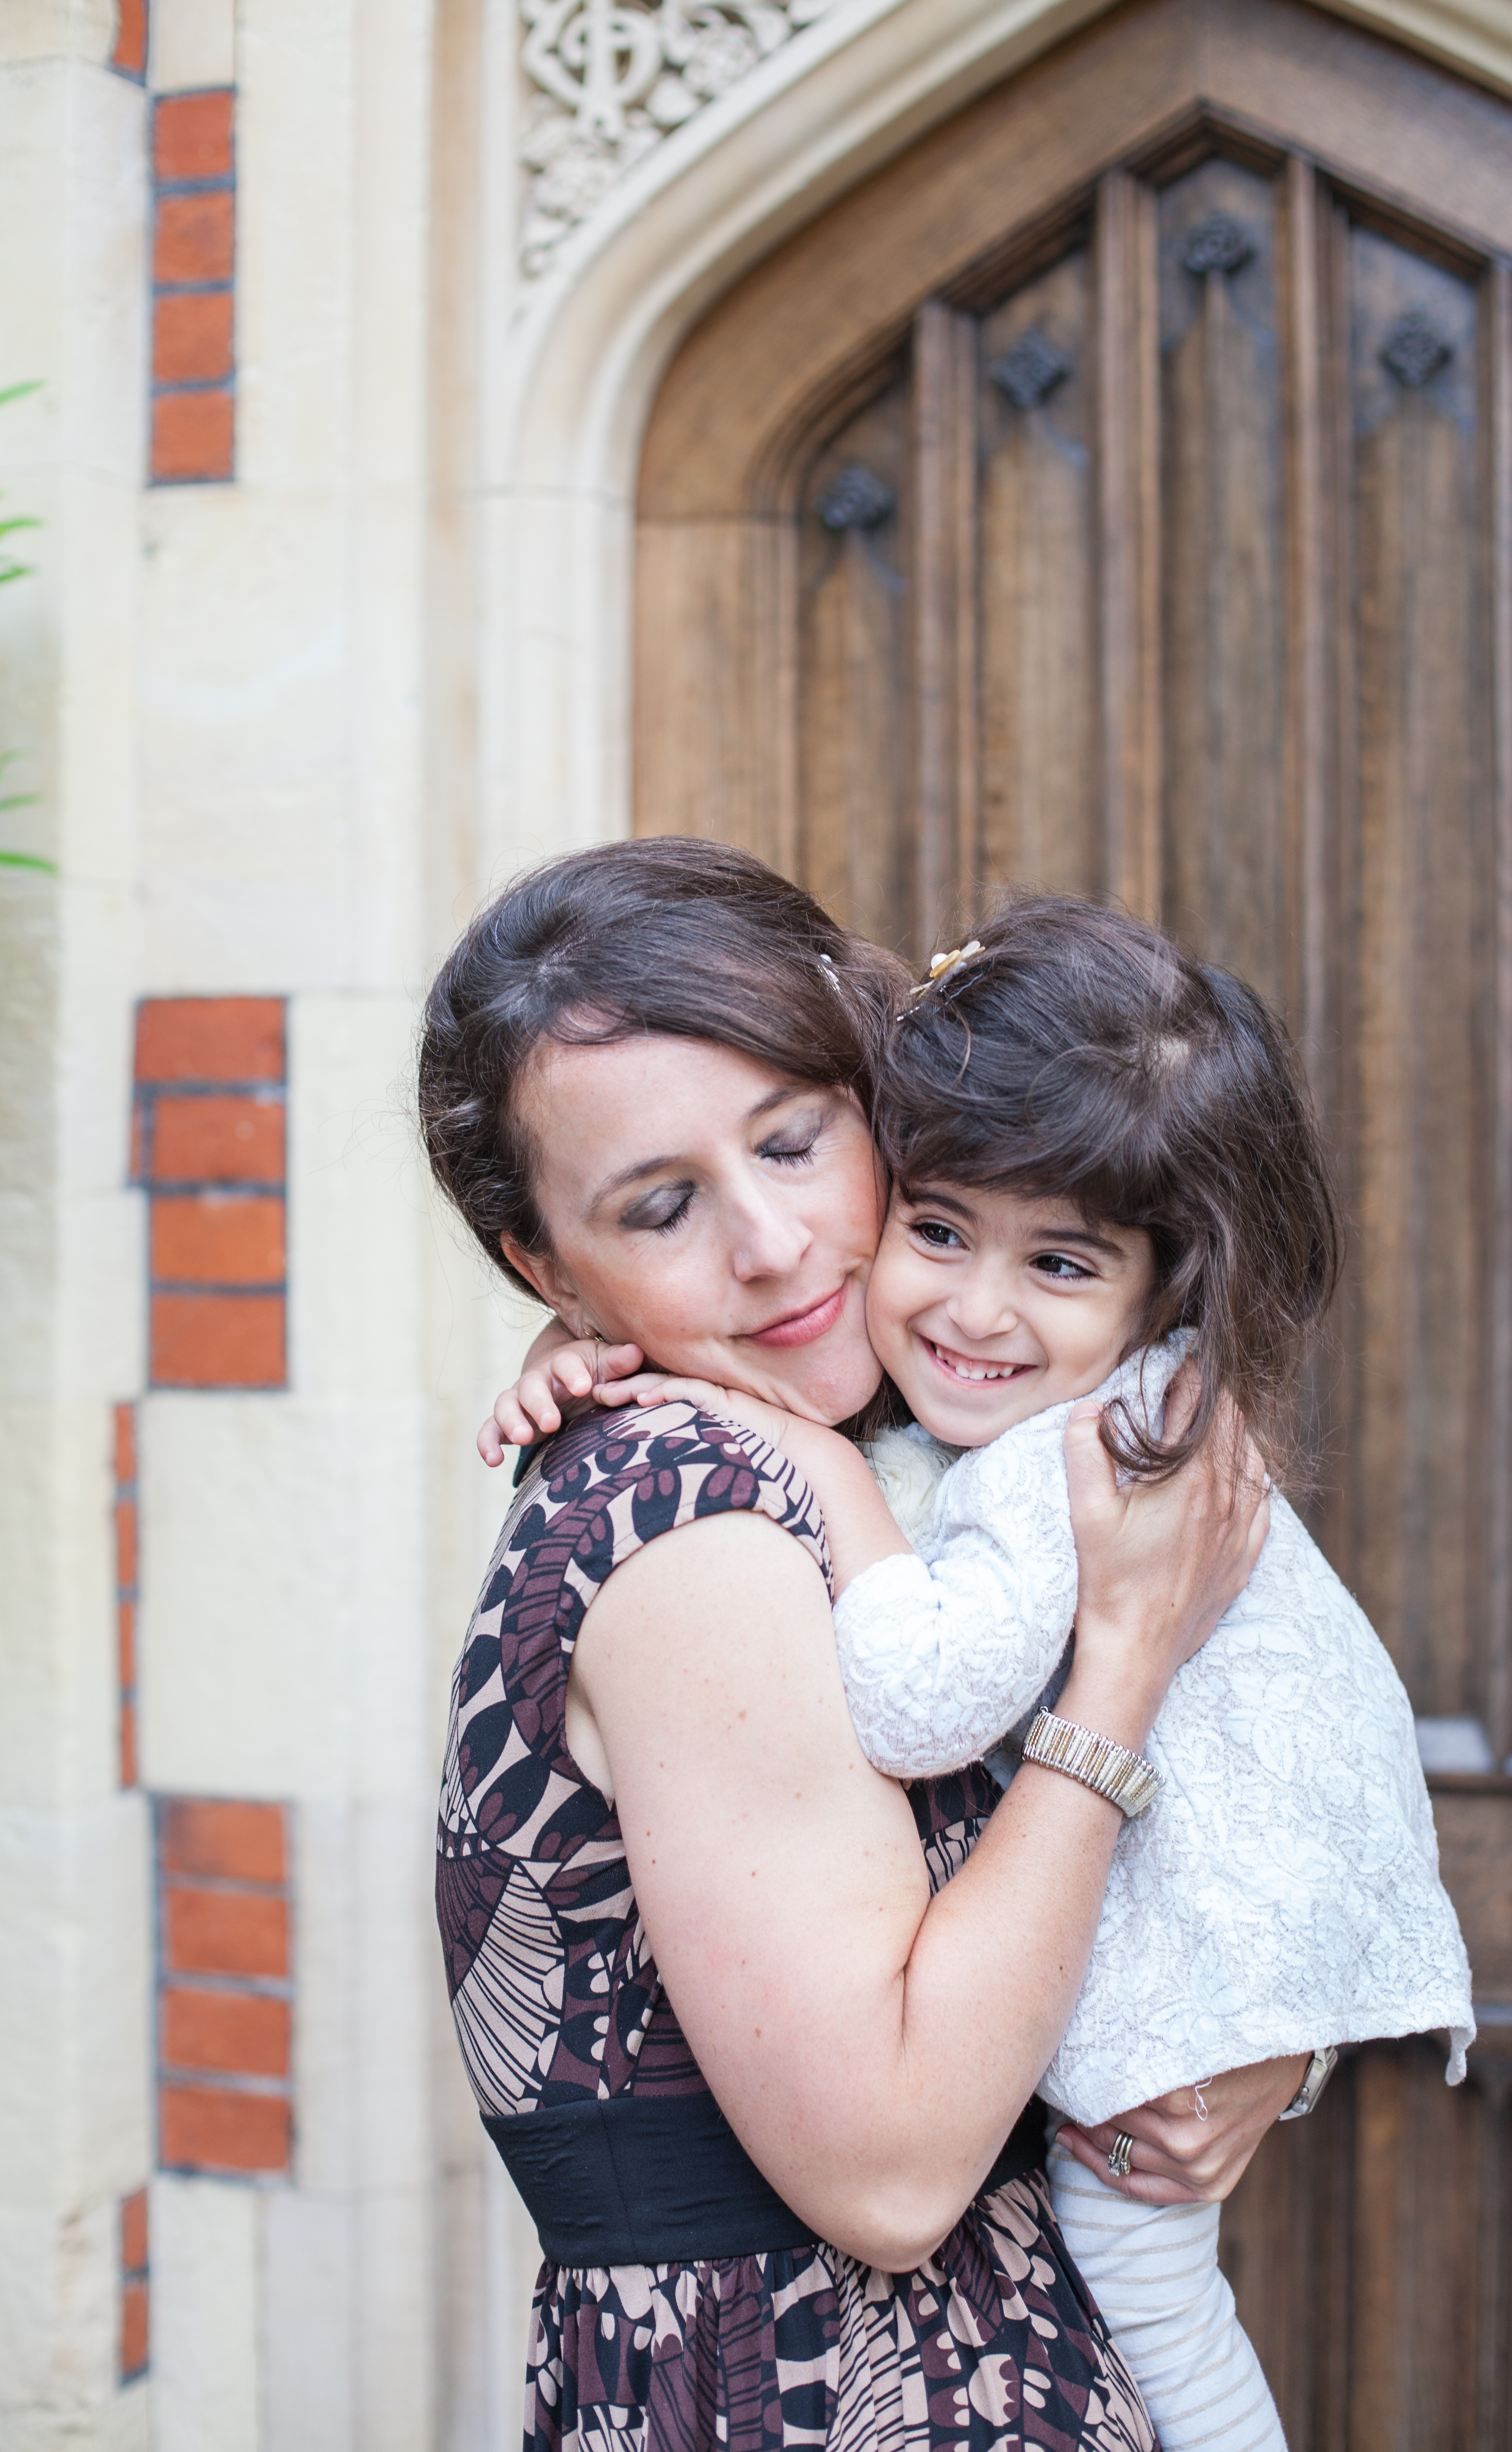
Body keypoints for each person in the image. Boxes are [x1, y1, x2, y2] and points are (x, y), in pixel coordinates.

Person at [422, 838, 1302, 2452]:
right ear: (545, 1267)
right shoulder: (705, 1524)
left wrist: (1256, 2045)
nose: (770, 1245)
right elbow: (893, 2173)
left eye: (795, 1140)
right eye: (662, 1206)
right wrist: (1124, 1657)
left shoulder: (928, 1431)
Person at [587, 898, 1473, 2451]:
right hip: (1249, 1888)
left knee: (1148, 2271)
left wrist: (806, 1464)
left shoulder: (1072, 1469)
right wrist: (588, 1343)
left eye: (1060, 1262)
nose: (977, 1309)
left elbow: (923, 1694)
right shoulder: (1069, 1408)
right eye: (938, 1232)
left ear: (1161, 1292)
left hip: (1221, 1915)